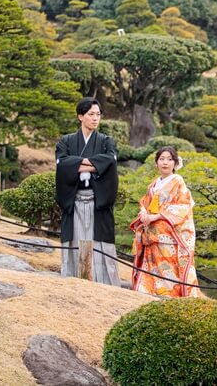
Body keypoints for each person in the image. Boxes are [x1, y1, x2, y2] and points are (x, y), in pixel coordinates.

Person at [55, 97, 121, 286]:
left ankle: (103, 283)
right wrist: (95, 164)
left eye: (98, 115)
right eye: (91, 114)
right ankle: (73, 280)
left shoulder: (106, 141)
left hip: (97, 201)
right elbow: (62, 164)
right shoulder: (65, 141)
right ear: (80, 116)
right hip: (74, 200)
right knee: (75, 240)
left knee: (99, 242)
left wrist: (76, 163)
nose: (95, 118)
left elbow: (110, 161)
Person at [130, 146, 199, 297]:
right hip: (152, 234)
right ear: (156, 163)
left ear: (175, 163)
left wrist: (155, 217)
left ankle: (170, 296)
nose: (165, 163)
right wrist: (143, 213)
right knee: (153, 267)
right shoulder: (154, 184)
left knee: (169, 268)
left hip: (169, 235)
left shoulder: (178, 181)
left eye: (169, 159)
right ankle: (148, 294)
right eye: (161, 159)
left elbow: (182, 206)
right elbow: (145, 202)